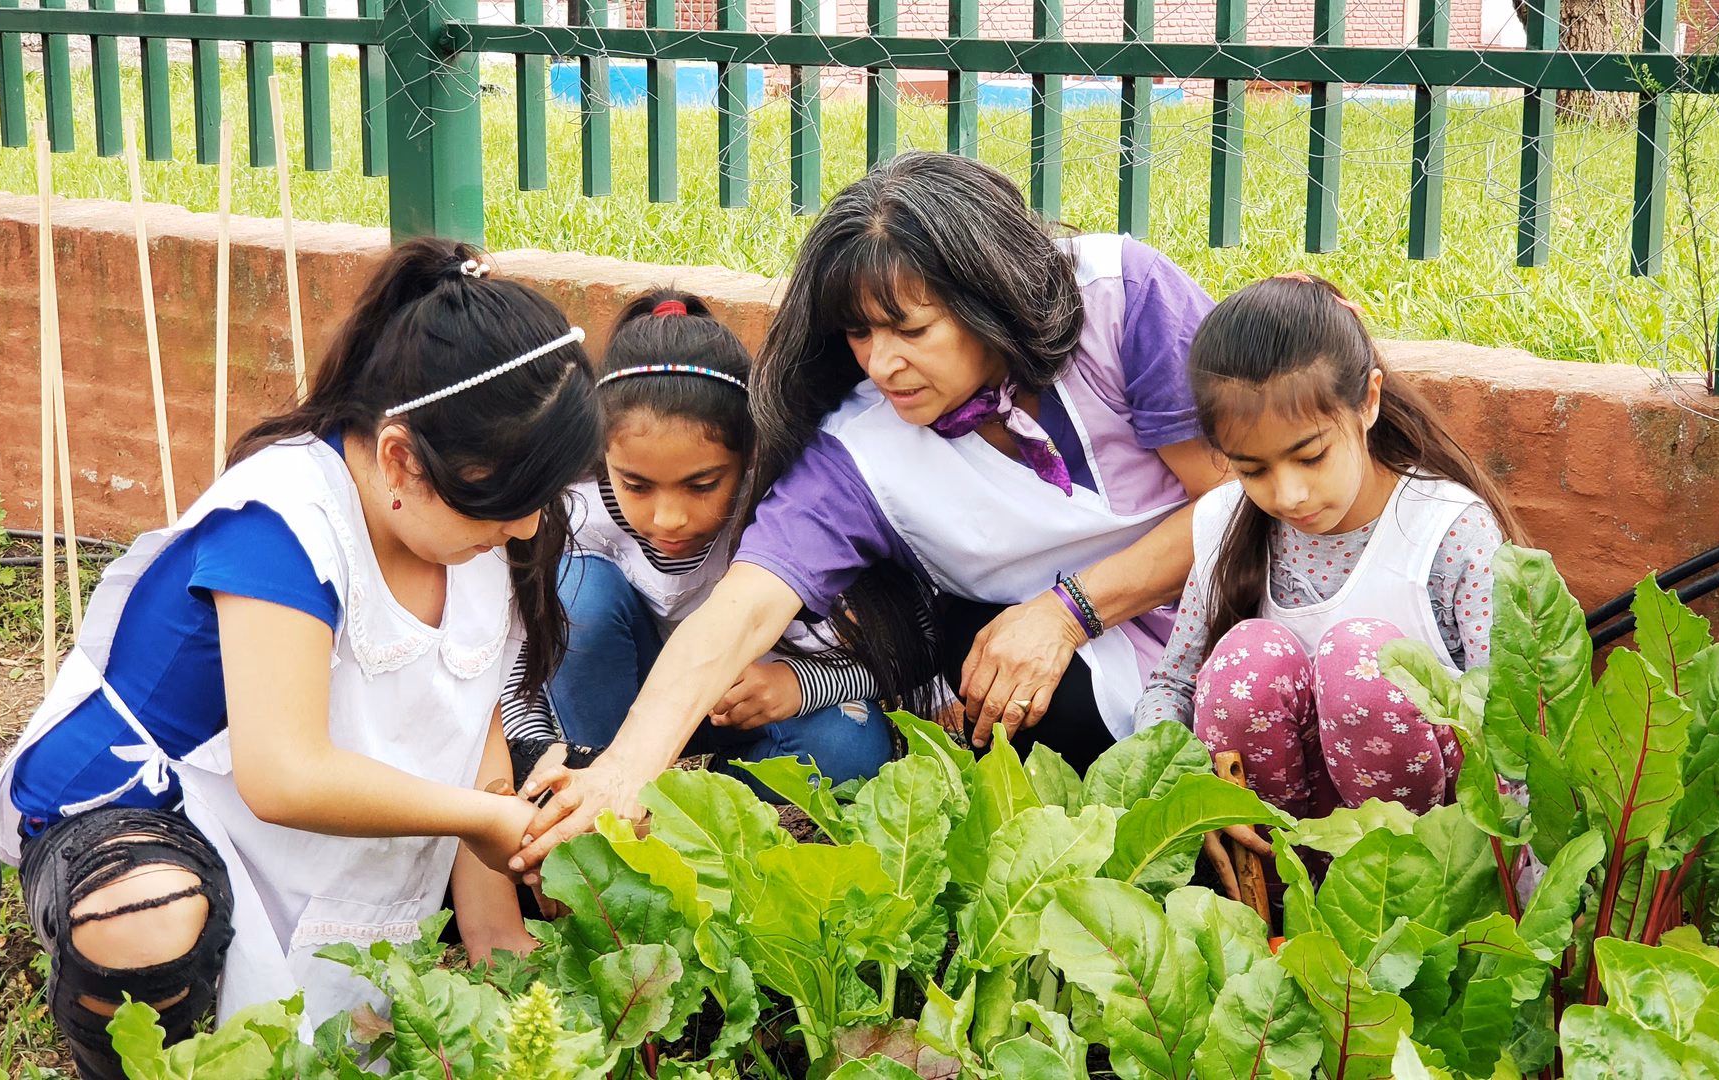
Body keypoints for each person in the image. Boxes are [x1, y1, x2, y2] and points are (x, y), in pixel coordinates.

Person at [510, 150, 1227, 872]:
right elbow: (743, 609)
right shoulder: (859, 448)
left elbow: (1233, 501)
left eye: (910, 329)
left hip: (1233, 620)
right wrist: (621, 773)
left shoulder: (1118, 295)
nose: (882, 364)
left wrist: (1067, 611)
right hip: (1079, 677)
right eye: (860, 334)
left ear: (991, 297)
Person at [0, 240, 602, 1080]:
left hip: (297, 843)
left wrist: (495, 927)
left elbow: (470, 712)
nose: (531, 527)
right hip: (148, 802)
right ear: (399, 459)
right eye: (511, 502)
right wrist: (480, 818)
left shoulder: (478, 516)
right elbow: (281, 775)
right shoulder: (283, 519)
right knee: (148, 917)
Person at [1134, 272, 1522, 835]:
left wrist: (1528, 892)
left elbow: (1512, 724)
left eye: (1310, 456)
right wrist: (1184, 796)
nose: (1288, 495)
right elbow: (1172, 689)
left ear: (1368, 400)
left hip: (1437, 857)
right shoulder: (1223, 524)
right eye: (1252, 469)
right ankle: (1281, 900)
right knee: (1250, 660)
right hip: (1285, 853)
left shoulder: (1448, 532)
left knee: (1362, 664)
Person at [502, 289, 891, 795]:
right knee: (579, 591)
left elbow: (884, 660)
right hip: (617, 705)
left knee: (853, 744)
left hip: (745, 703)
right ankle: (594, 784)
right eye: (636, 485)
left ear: (752, 452)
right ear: (601, 453)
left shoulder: (792, 512)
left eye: (702, 484)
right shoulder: (569, 509)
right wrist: (537, 754)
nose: (668, 518)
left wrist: (796, 685)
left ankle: (681, 814)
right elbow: (517, 662)